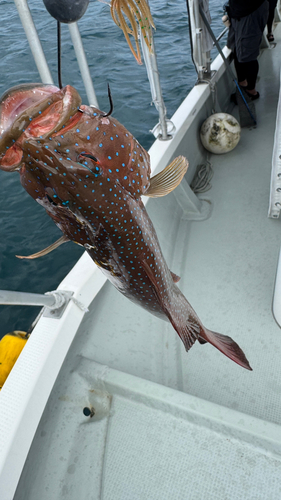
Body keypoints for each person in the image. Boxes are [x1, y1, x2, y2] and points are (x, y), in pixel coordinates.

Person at [227, 0, 269, 100]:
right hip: (240, 11)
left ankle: (251, 91)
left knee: (248, 53)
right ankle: (243, 84)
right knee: (237, 48)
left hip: (250, 10)